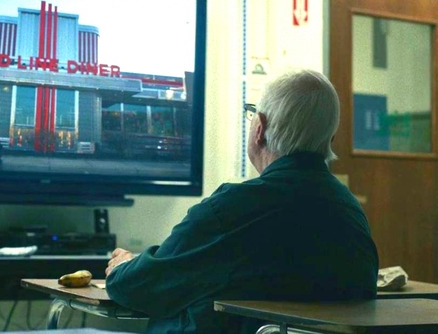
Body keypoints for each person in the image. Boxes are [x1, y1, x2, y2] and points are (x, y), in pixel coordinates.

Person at [104, 70, 379, 333]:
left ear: (260, 128)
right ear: (330, 139)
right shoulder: (351, 214)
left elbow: (139, 286)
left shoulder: (230, 210)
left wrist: (123, 267)